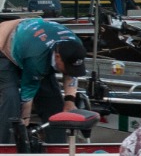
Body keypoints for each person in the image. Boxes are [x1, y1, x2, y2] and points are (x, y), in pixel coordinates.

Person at [0, 17, 85, 145]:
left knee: (54, 102)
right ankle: (5, 146)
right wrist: (24, 120)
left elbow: (71, 73)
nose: (69, 69)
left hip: (33, 44)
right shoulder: (36, 59)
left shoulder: (75, 46)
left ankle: (57, 147)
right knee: (11, 97)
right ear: (57, 57)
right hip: (4, 45)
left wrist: (69, 101)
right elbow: (27, 95)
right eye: (66, 66)